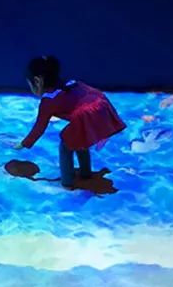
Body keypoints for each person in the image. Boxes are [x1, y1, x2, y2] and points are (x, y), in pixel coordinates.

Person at [14, 56, 126, 189]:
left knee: (66, 145)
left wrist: (24, 144)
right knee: (80, 139)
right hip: (102, 105)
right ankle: (85, 173)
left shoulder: (48, 101)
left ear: (37, 81)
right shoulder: (71, 83)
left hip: (86, 116)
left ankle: (67, 182)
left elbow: (39, 127)